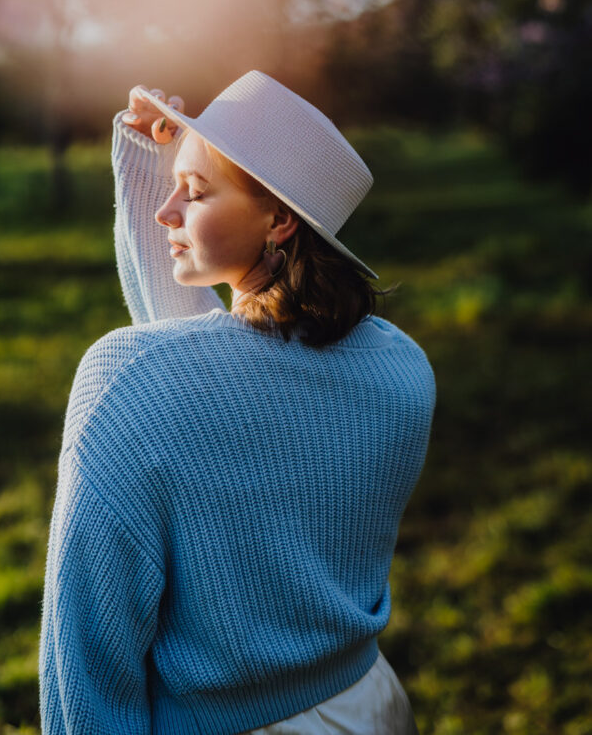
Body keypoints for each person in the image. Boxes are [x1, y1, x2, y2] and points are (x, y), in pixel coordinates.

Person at [39, 70, 435, 735]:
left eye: (191, 192)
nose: (166, 211)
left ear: (279, 219)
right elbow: (201, 372)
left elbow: (86, 652)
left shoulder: (127, 381)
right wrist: (150, 166)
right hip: (369, 703)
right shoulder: (404, 371)